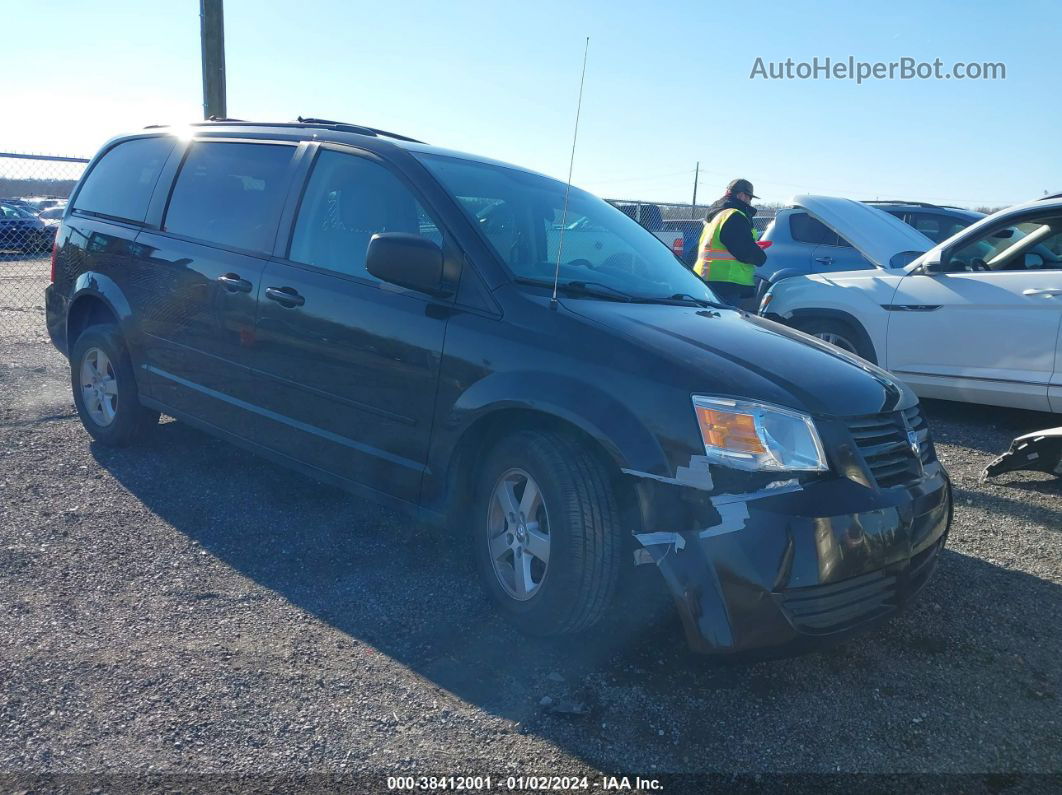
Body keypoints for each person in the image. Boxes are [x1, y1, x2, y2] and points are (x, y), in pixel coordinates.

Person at [693, 178, 767, 308]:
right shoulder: (734, 215)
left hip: (708, 279)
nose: (750, 202)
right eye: (750, 198)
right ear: (742, 195)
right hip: (727, 283)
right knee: (724, 323)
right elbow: (743, 249)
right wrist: (760, 256)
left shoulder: (717, 215)